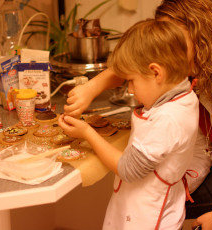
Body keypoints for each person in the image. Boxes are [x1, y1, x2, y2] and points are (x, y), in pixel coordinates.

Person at [63, 0, 212, 229]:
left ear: (201, 35)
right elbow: (202, 151)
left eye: (173, 40)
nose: (164, 50)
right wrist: (169, 190)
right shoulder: (189, 82)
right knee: (157, 201)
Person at [59, 19, 199, 229]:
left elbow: (127, 169)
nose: (130, 90)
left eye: (132, 80)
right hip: (142, 203)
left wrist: (87, 133)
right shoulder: (183, 95)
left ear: (156, 73)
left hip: (148, 217)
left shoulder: (168, 120)